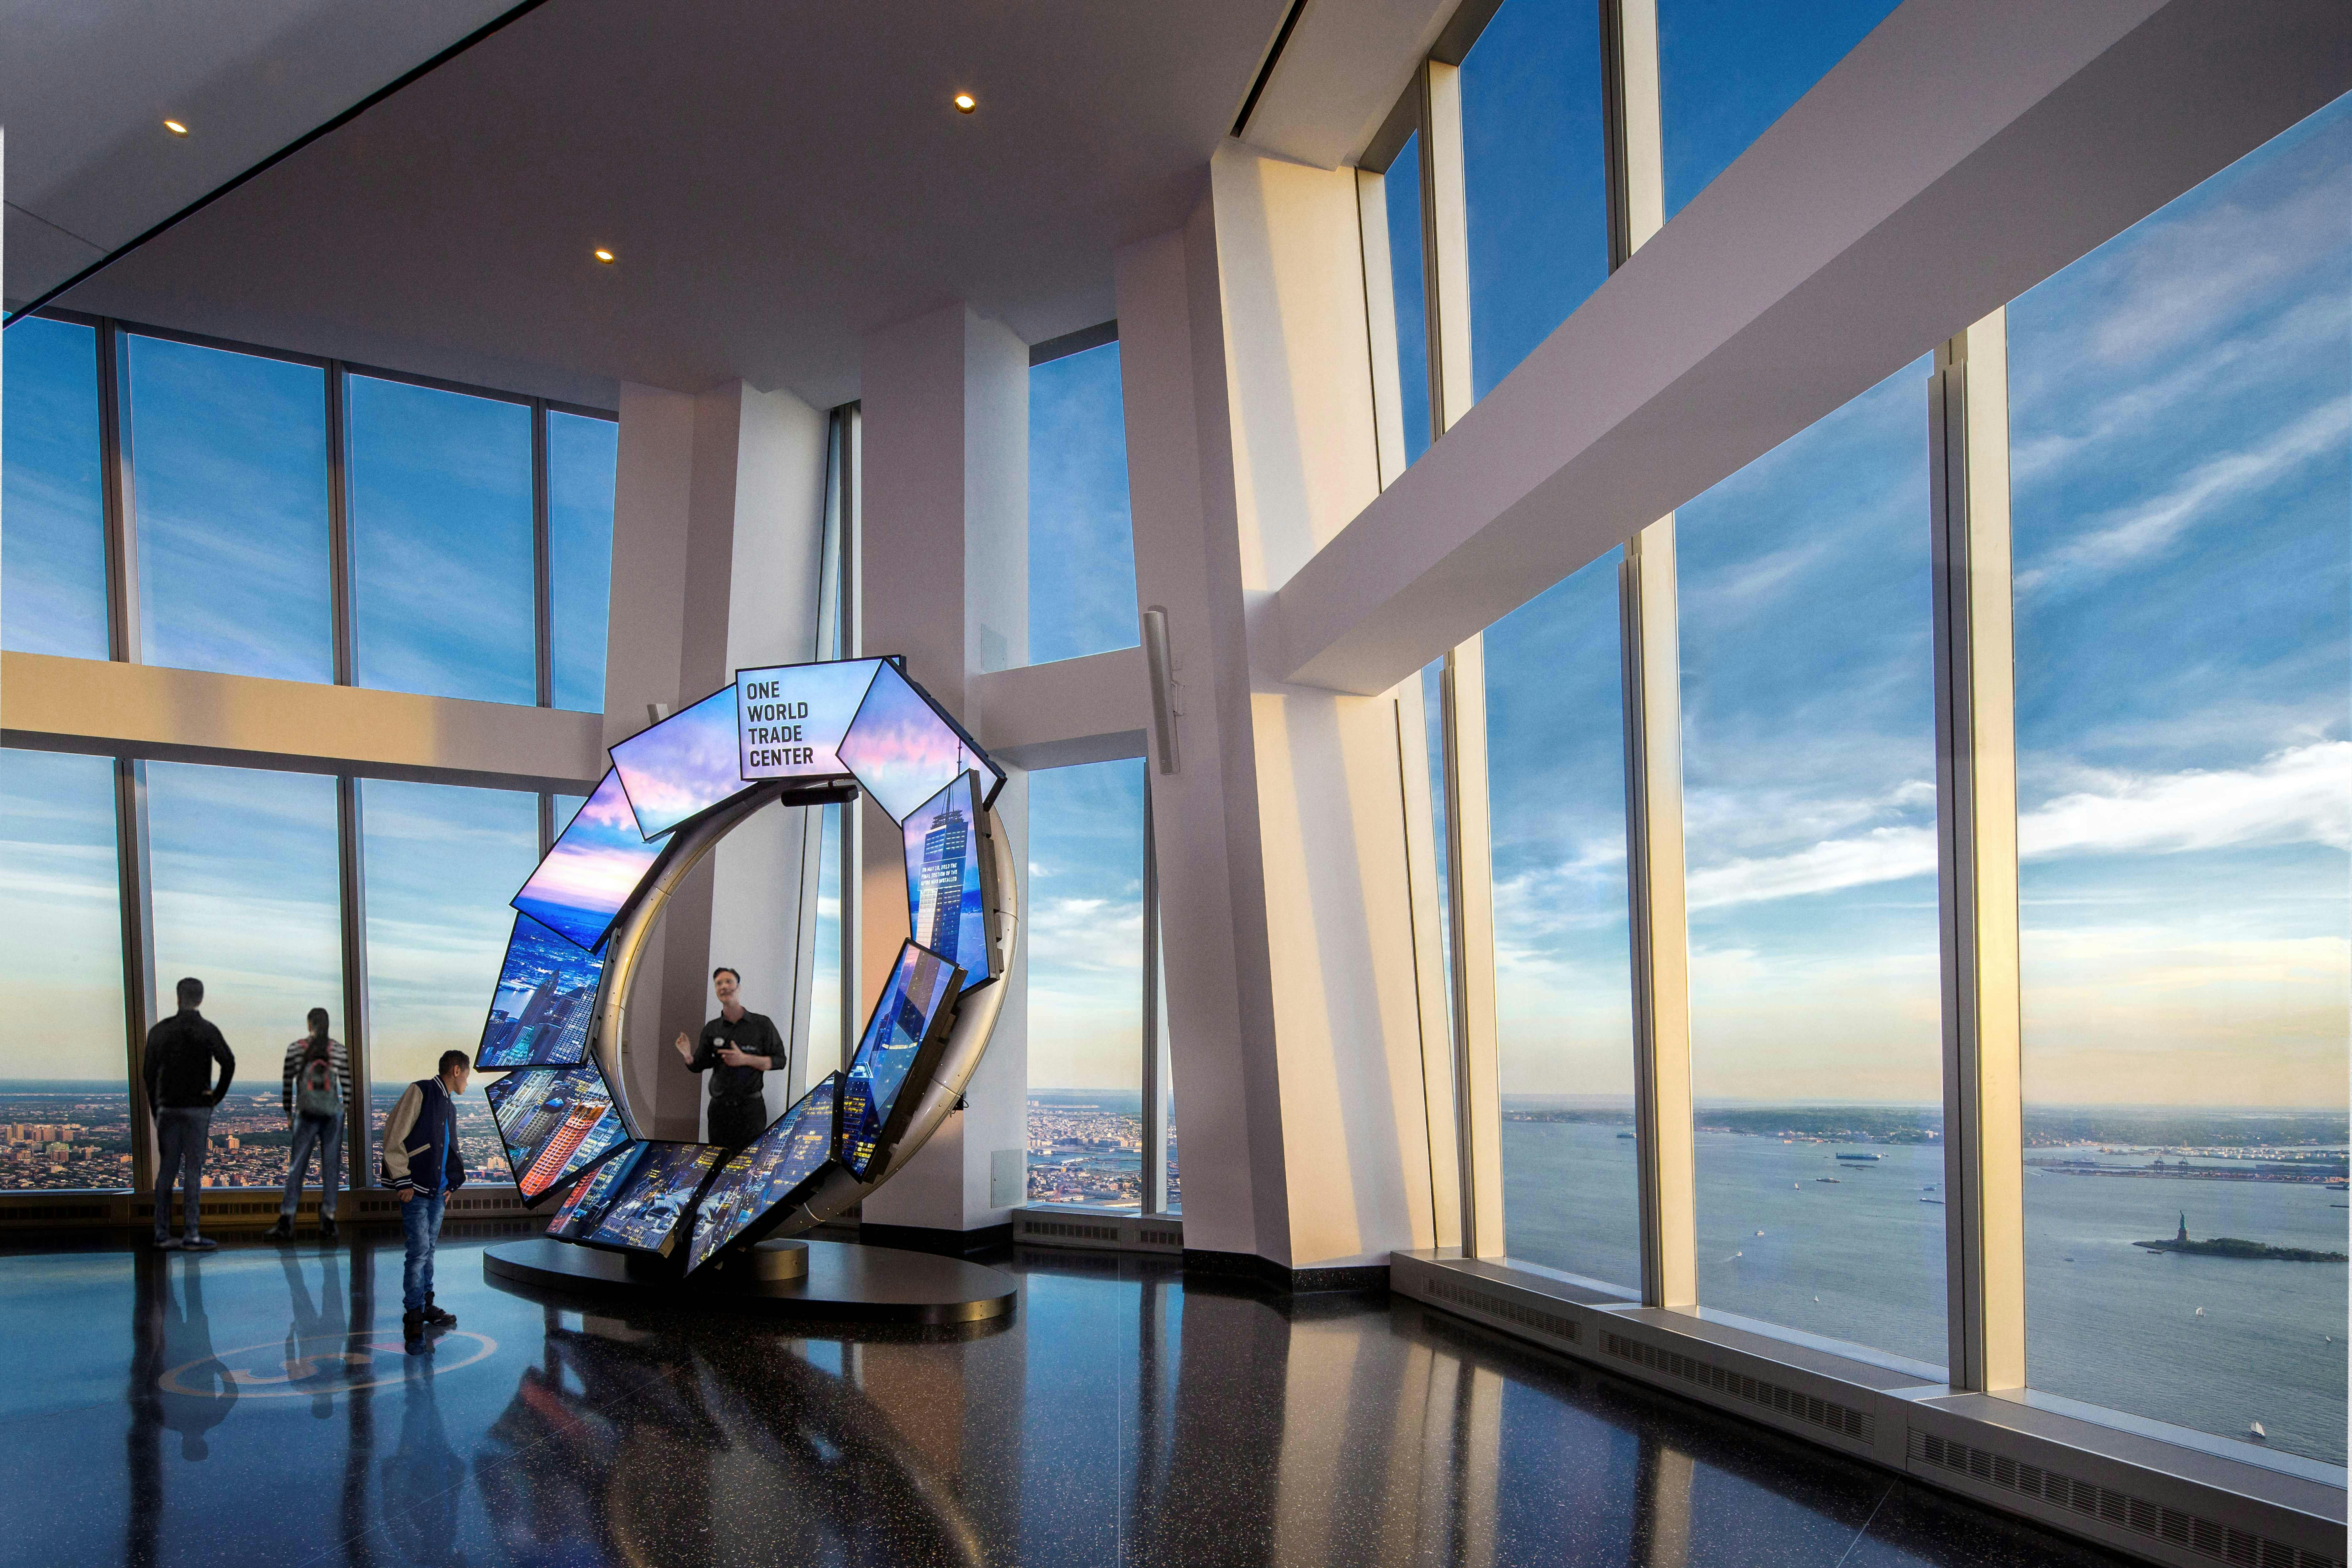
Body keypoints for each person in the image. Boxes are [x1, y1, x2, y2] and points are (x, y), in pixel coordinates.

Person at [381, 1049, 470, 1343]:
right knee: (418, 1253)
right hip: (416, 1191)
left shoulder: (449, 1106)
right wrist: (402, 1180)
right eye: (467, 1075)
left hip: (437, 1192)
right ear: (456, 1071)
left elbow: (447, 1150)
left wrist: (450, 1184)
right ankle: (413, 1314)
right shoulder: (421, 1091)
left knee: (428, 1251)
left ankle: (426, 1305)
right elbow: (394, 1135)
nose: (467, 1083)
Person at [143, 977, 234, 1251]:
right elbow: (228, 1062)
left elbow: (149, 1073)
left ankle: (162, 1234)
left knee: (167, 1171)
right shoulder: (207, 1030)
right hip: (197, 1109)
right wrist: (215, 1097)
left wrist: (156, 1107)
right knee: (194, 1170)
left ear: (178, 997)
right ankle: (192, 1235)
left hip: (168, 1107)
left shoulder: (160, 1031)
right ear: (201, 999)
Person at [671, 966, 784, 1148]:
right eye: (719, 984)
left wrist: (745, 1059)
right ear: (716, 991)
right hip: (719, 1111)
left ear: (739, 988)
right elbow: (698, 1065)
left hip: (751, 1109)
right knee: (718, 1160)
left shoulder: (762, 1025)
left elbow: (780, 1061)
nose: (724, 986)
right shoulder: (712, 1028)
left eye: (729, 982)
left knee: (748, 1163)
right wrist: (687, 1054)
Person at [268, 1008, 351, 1242]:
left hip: (306, 1114)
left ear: (309, 1025)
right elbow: (347, 1086)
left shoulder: (296, 1049)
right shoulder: (338, 1050)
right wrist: (342, 1111)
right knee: (331, 1167)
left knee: (297, 1166)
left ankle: (287, 1220)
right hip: (332, 1115)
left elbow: (288, 1083)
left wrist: (289, 1112)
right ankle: (328, 1219)